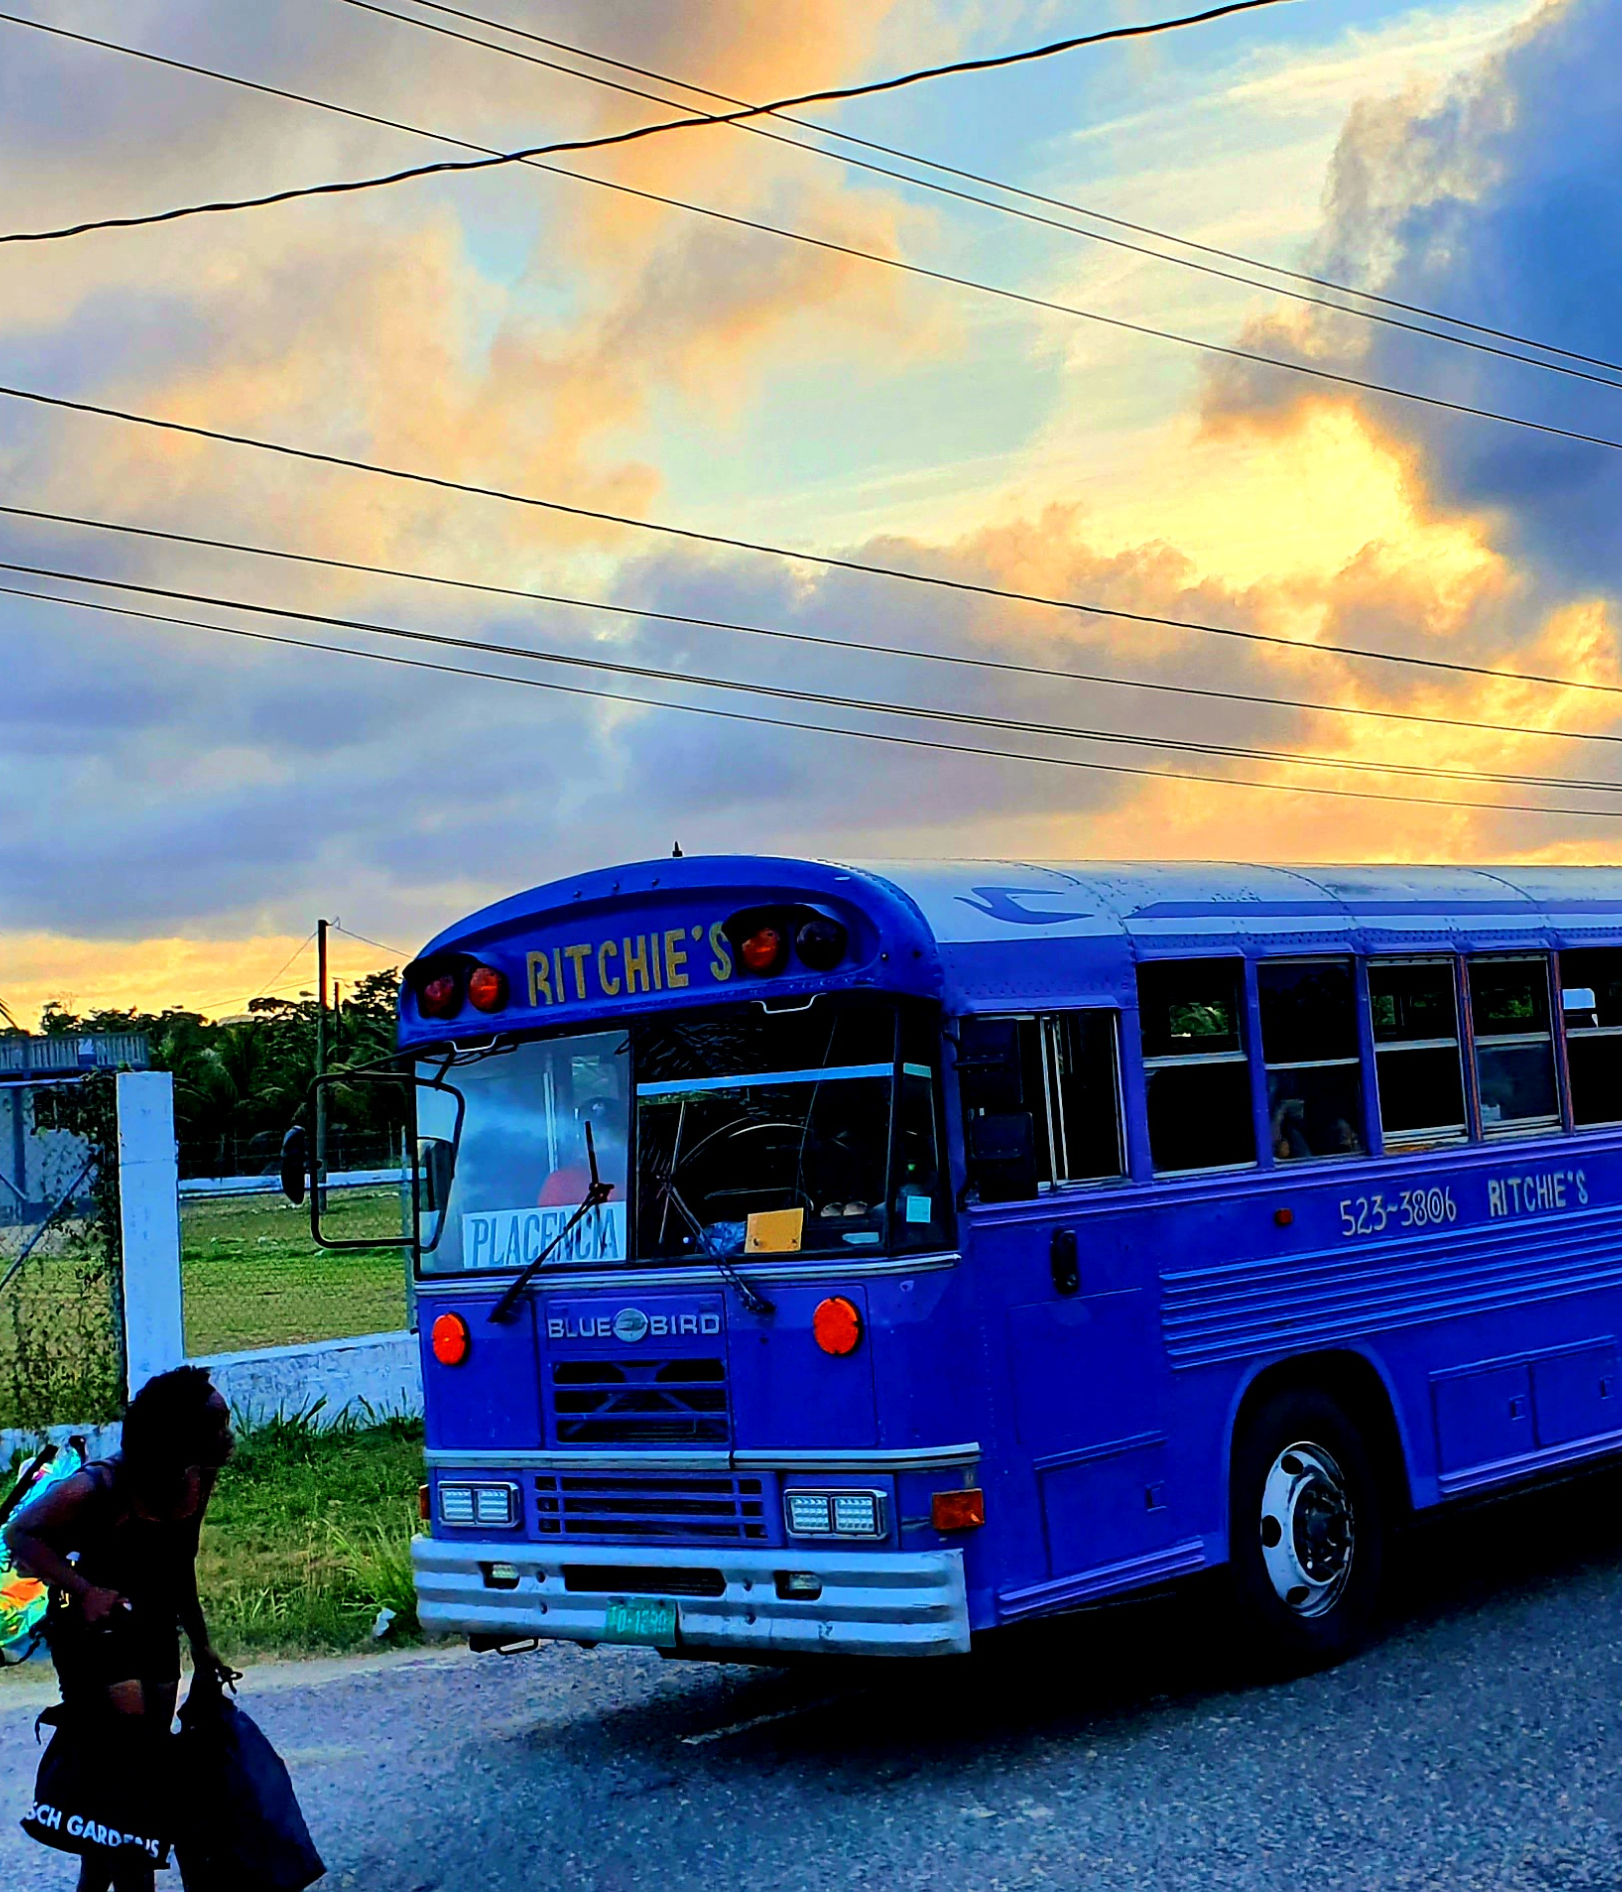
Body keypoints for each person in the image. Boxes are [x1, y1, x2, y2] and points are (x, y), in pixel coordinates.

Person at [5, 1366, 235, 1892]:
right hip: (94, 1631)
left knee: (145, 1761)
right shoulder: (100, 1486)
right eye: (216, 1425)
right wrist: (84, 1593)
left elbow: (183, 1562)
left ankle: (98, 1880)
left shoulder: (196, 1478)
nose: (227, 1436)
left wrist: (202, 1649)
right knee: (129, 1765)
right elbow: (22, 1535)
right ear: (176, 1435)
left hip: (152, 1621)